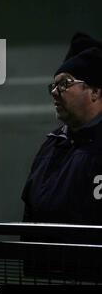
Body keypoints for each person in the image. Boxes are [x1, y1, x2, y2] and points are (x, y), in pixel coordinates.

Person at [22, 33, 102, 241]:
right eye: (54, 86)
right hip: (43, 269)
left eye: (64, 84)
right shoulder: (52, 145)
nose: (54, 92)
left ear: (94, 92)